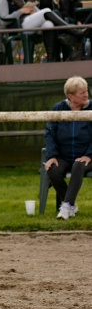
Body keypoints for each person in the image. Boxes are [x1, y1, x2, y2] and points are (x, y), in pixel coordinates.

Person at [0, 0, 74, 62]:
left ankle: (51, 59)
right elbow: (3, 21)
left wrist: (34, 11)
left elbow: (38, 11)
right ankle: (72, 30)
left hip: (30, 24)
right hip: (18, 26)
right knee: (47, 11)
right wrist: (20, 11)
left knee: (48, 24)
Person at [43, 76, 92, 220]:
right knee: (51, 168)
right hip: (63, 156)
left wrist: (89, 154)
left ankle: (66, 206)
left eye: (86, 91)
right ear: (70, 96)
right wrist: (51, 156)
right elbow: (50, 133)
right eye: (81, 92)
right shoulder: (59, 108)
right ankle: (70, 204)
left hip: (88, 156)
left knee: (79, 164)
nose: (86, 95)